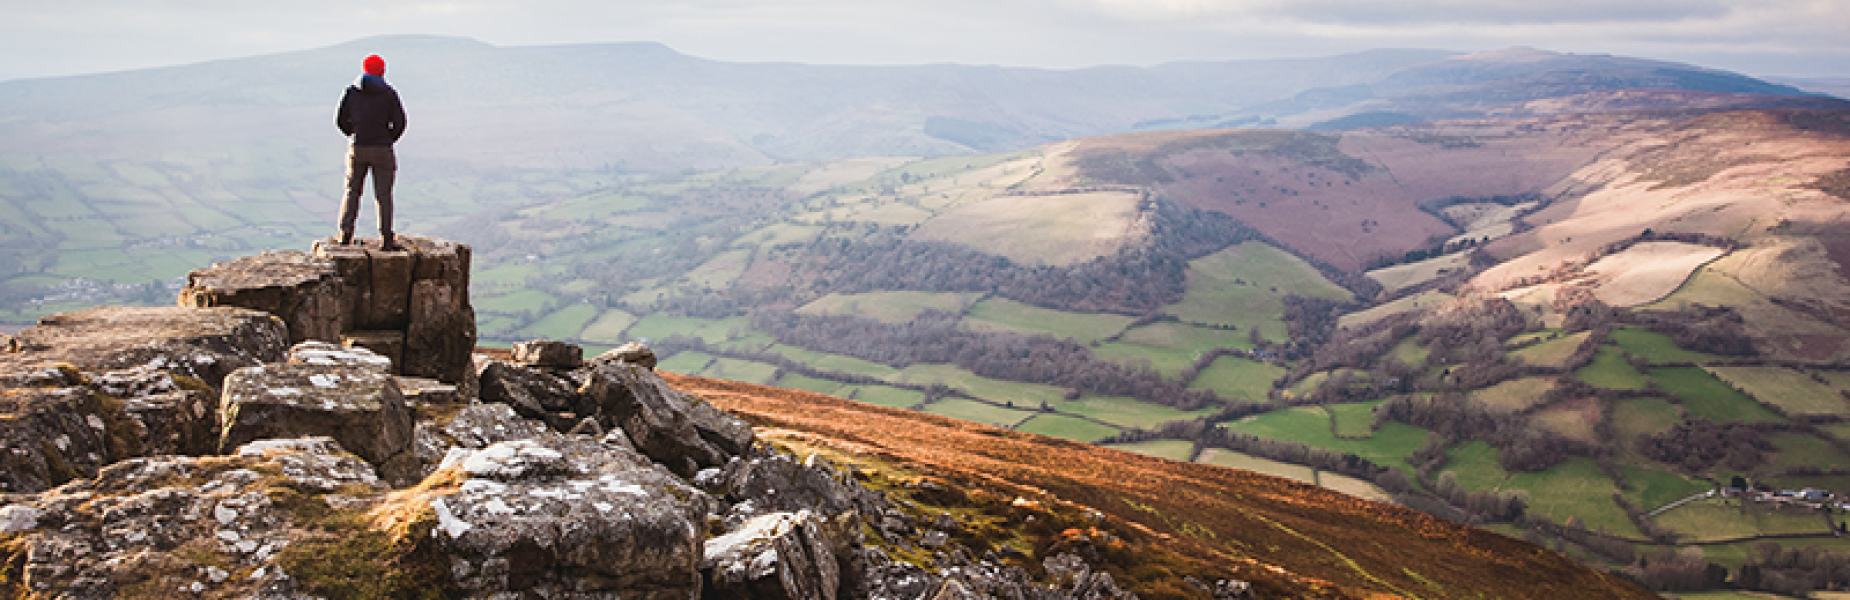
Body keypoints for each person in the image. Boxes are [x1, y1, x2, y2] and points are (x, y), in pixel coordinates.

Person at [335, 54, 407, 250]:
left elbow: (340, 120)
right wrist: (387, 138)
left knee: (352, 190)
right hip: (382, 149)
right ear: (382, 71)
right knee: (383, 195)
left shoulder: (351, 92)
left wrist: (354, 134)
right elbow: (400, 122)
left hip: (357, 147)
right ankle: (386, 239)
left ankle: (345, 234)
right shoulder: (389, 94)